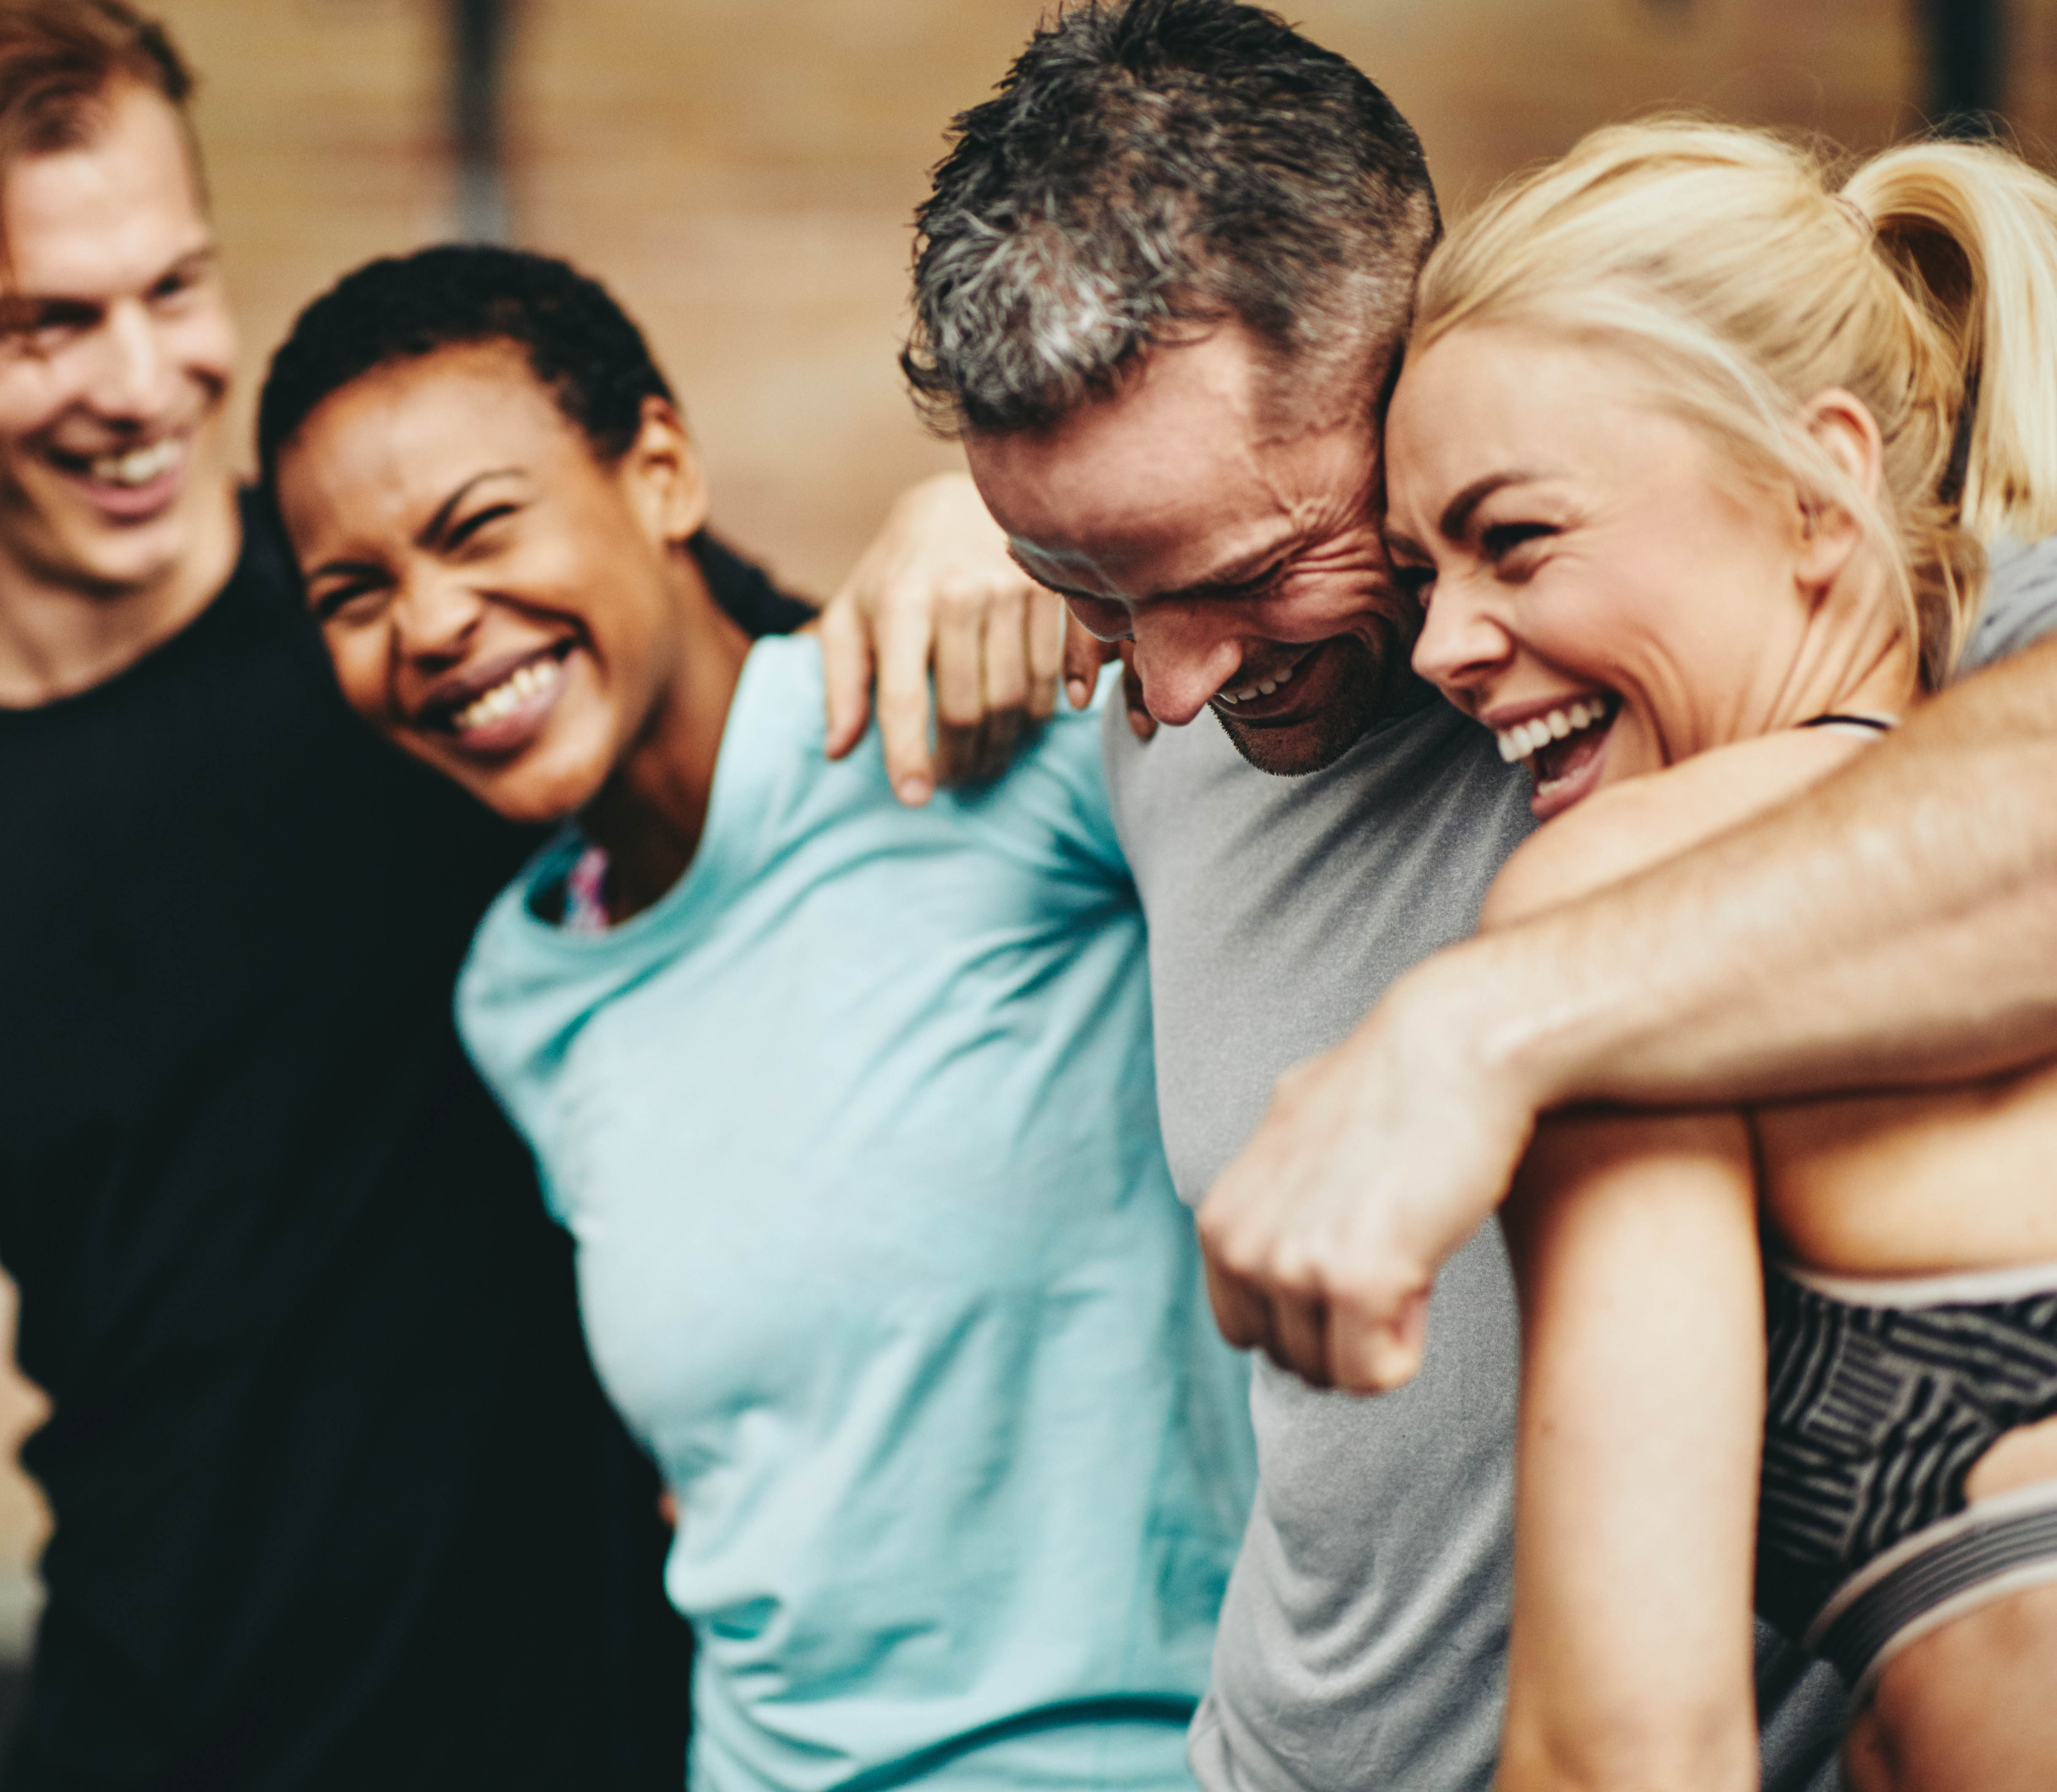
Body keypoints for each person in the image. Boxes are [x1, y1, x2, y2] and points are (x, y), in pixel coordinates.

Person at [0, 4, 824, 1785]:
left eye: (174, 289)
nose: (144, 379)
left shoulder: (449, 631)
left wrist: (956, 535)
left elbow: (822, 720)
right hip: (164, 1735)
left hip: (609, 1717)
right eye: (44, 325)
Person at [821, 3, 2057, 1788]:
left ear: (1404, 369)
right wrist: (1008, 559)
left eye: (1251, 570)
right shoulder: (1146, 701)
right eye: (1085, 583)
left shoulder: (1766, 629)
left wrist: (1476, 1025)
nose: (1164, 696)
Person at [263, 243, 1256, 1791]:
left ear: (660, 471)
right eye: (355, 594)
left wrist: (1029, 537)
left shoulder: (964, 711)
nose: (433, 622)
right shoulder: (521, 995)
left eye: (478, 529)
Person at [1383, 120, 2057, 1790]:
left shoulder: (1612, 904)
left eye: (1512, 539)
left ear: (1815, 487)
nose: (1440, 646)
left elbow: (1622, 1745)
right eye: (1414, 573)